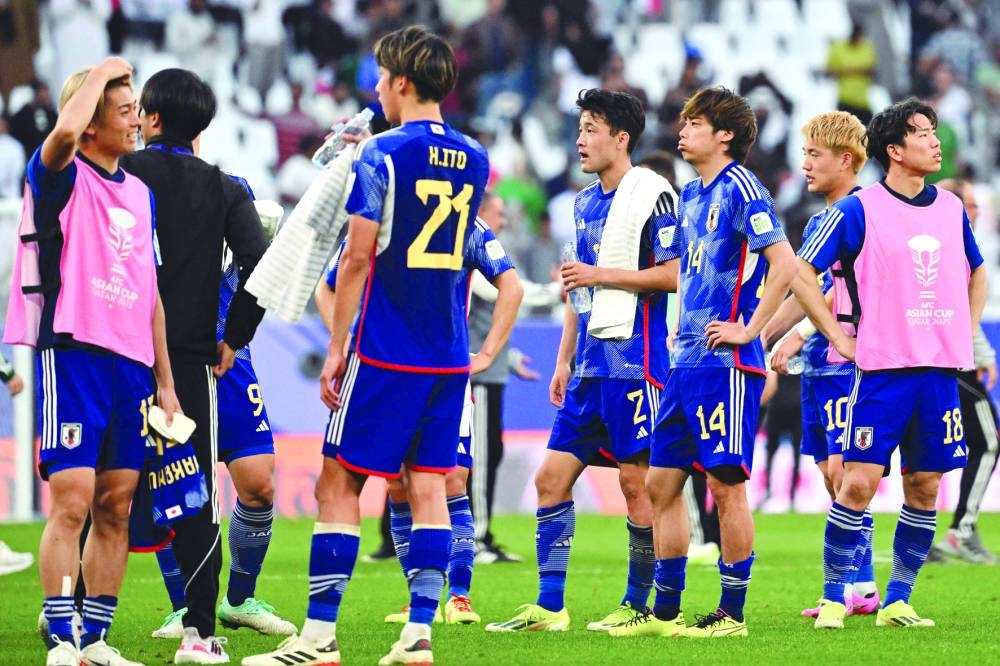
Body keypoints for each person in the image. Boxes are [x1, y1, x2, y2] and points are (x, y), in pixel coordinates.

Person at [243, 26, 490, 666]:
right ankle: (418, 636)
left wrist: (336, 347)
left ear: (402, 81)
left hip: (386, 347)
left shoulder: (381, 154)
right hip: (449, 351)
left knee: (338, 482)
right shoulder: (475, 156)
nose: (377, 88)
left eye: (381, 77)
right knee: (428, 484)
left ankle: (318, 639)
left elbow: (356, 258)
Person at [4, 57, 180, 666]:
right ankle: (61, 637)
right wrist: (105, 68)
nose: (137, 121)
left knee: (115, 506)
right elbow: (61, 132)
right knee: (73, 500)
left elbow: (150, 293)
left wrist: (165, 381)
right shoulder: (61, 175)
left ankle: (97, 639)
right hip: (74, 353)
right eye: (125, 111)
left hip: (131, 366)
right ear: (92, 125)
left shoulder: (142, 193)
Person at [486, 88, 678, 634]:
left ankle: (638, 605)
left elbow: (672, 275)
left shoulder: (654, 196)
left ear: (622, 138)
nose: (580, 139)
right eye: (579, 129)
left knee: (637, 485)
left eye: (591, 129)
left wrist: (601, 275)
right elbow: (577, 285)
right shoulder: (583, 202)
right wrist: (563, 358)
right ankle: (550, 606)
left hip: (636, 364)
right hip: (589, 367)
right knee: (551, 479)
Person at [791, 98, 986, 630]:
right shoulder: (859, 209)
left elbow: (976, 271)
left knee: (925, 487)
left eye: (934, 131)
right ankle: (836, 596)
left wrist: (963, 331)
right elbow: (802, 273)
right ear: (895, 151)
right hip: (880, 373)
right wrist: (836, 336)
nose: (935, 142)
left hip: (938, 375)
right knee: (856, 484)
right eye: (923, 133)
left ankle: (898, 601)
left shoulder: (950, 208)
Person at [625, 86, 796, 639]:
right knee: (661, 484)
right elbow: (681, 271)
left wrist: (751, 329)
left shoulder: (742, 186)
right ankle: (665, 612)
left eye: (694, 123)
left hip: (727, 364)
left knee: (724, 486)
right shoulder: (689, 194)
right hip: (685, 362)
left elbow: (785, 263)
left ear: (725, 135)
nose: (682, 131)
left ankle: (731, 613)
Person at [121, 67, 269, 664]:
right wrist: (234, 336)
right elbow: (261, 263)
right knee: (194, 496)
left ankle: (71, 619)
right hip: (186, 363)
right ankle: (199, 635)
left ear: (151, 118)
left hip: (115, 353)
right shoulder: (225, 187)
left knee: (101, 489)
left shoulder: (116, 173)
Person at [148, 174, 296, 643]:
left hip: (230, 363)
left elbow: (259, 259)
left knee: (259, 482)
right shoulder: (152, 202)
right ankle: (183, 607)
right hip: (173, 363)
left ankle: (239, 600)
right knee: (176, 488)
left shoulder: (232, 193)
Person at [761, 110, 879, 617]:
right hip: (819, 364)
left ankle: (856, 586)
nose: (805, 164)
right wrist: (762, 332)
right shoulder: (819, 219)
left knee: (844, 472)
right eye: (805, 153)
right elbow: (803, 290)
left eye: (814, 154)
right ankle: (863, 586)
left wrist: (798, 333)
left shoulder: (864, 213)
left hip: (848, 358)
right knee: (833, 478)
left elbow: (838, 291)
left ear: (845, 159)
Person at [469, 191, 557, 565]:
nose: (503, 221)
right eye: (498, 213)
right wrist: (558, 290)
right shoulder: (473, 251)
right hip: (477, 377)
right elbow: (511, 291)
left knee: (490, 453)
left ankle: (480, 535)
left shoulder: (485, 253)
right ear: (480, 213)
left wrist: (510, 357)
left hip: (490, 372)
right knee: (479, 457)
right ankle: (475, 538)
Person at [926, 178, 999, 565]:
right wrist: (982, 356)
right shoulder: (954, 246)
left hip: (930, 361)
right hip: (954, 363)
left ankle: (919, 537)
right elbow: (960, 310)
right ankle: (962, 532)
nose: (977, 212)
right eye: (971, 205)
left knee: (923, 450)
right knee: (988, 441)